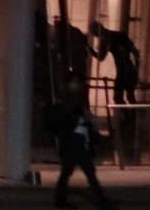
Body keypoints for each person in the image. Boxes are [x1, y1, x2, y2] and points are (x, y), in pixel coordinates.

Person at [48, 76, 110, 209]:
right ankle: (101, 200)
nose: (77, 85)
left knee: (69, 171)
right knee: (87, 170)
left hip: (74, 138)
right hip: (74, 139)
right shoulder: (70, 100)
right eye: (74, 82)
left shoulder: (70, 99)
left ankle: (60, 199)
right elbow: (69, 117)